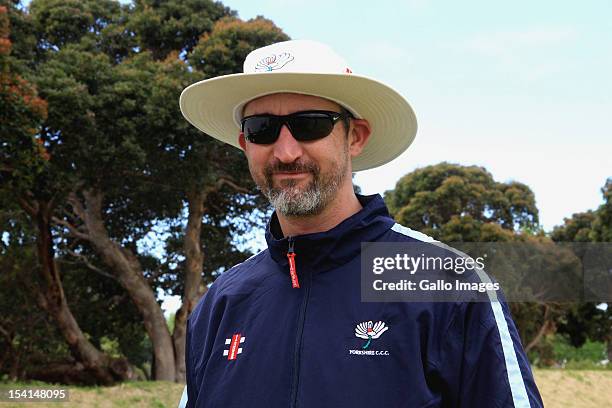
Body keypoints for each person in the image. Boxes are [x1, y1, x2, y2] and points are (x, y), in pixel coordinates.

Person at [178, 40, 543, 407]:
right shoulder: (220, 304)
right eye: (262, 128)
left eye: (310, 124)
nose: (286, 152)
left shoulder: (447, 283)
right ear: (245, 143)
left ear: (355, 137)